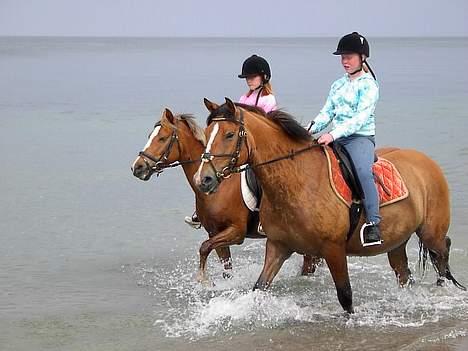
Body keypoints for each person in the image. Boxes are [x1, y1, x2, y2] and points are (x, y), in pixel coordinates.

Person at [308, 32, 382, 247]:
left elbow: (360, 119)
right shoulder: (338, 84)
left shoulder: (369, 85)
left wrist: (332, 134)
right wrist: (309, 130)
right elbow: (327, 112)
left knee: (362, 172)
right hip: (336, 137)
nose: (345, 61)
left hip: (359, 138)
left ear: (362, 58)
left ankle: (374, 223)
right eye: (342, 57)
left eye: (349, 57)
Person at [185, 54, 277, 228]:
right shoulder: (244, 98)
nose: (249, 80)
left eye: (253, 77)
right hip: (244, 146)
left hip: (260, 147)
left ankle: (265, 216)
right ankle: (203, 210)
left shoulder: (268, 99)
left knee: (259, 178)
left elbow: (262, 123)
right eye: (247, 78)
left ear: (264, 77)